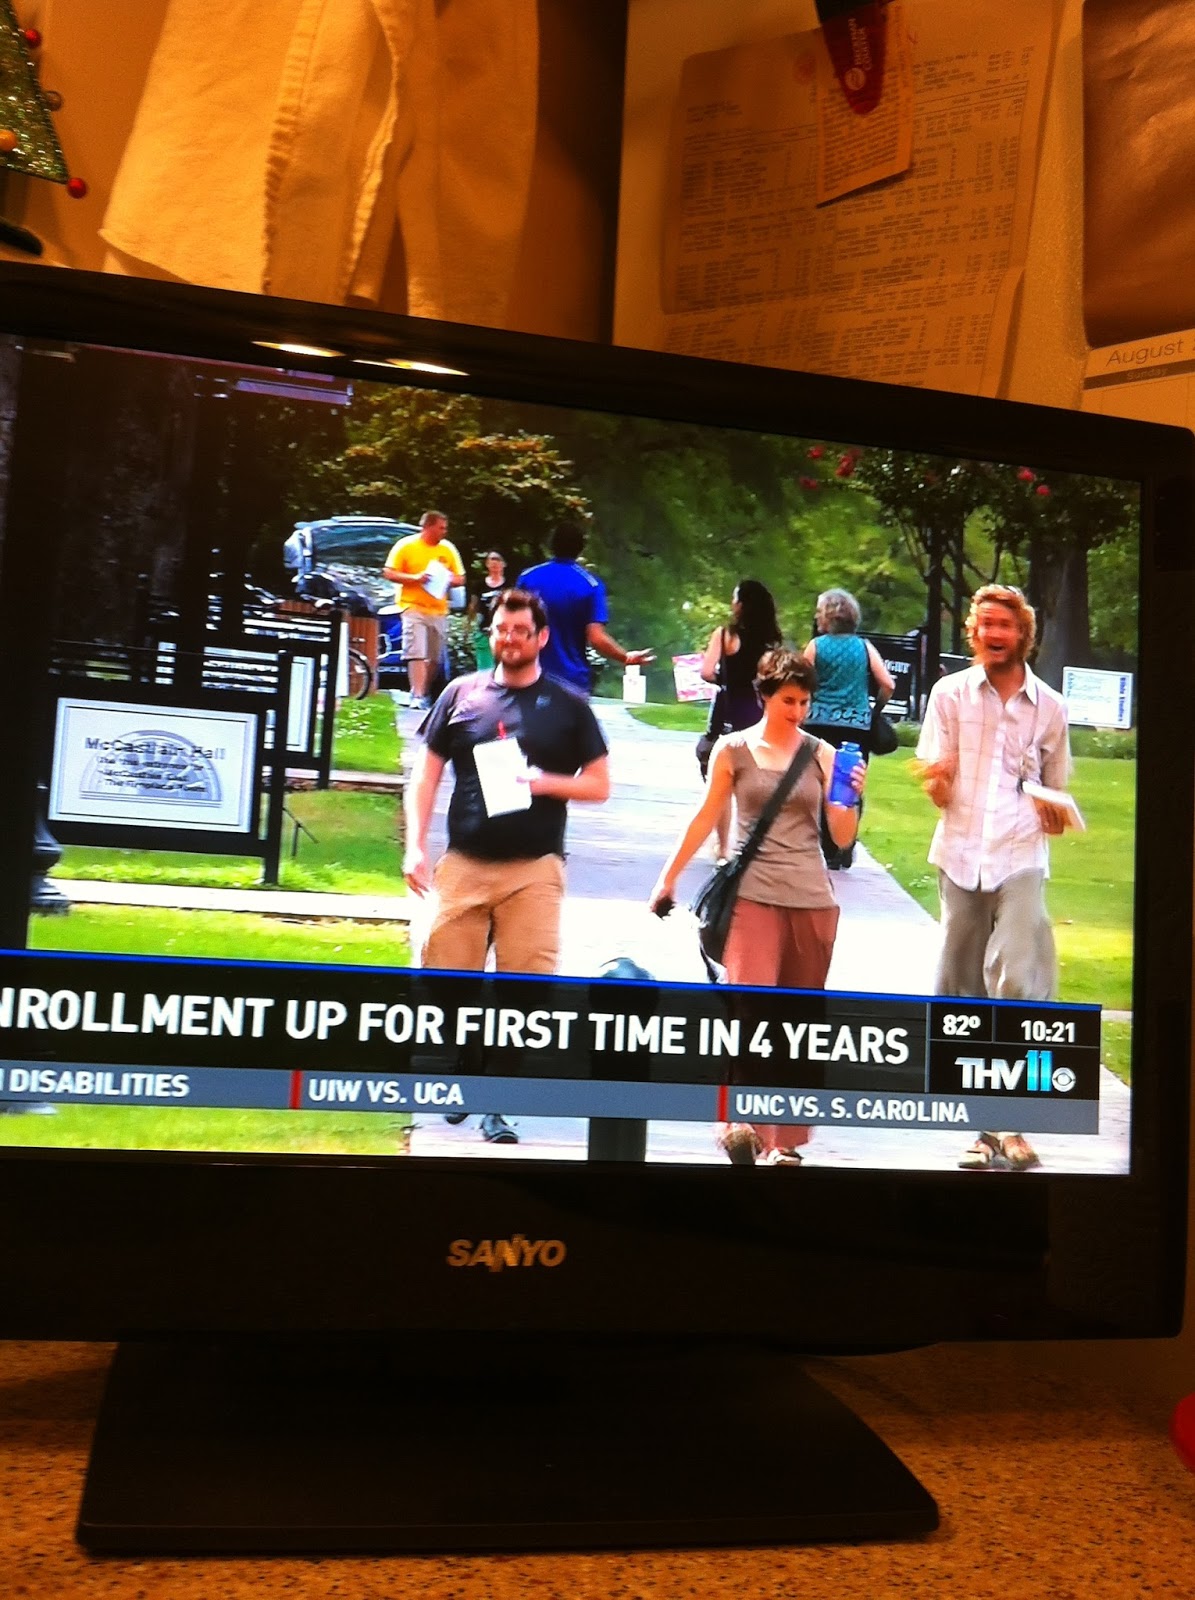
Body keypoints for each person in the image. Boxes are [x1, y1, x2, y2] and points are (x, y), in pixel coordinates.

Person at [403, 586, 611, 1144]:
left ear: (541, 638)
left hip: (534, 868)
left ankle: (498, 1102)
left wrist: (544, 783)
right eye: (501, 629)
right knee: (445, 979)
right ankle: (468, 1058)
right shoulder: (461, 694)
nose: (510, 639)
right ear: (490, 634)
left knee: (527, 990)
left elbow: (599, 784)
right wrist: (416, 845)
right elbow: (426, 773)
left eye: (521, 631)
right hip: (465, 863)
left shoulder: (568, 705)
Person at [648, 649, 865, 1166]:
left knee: (797, 1023)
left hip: (811, 898)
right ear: (765, 695)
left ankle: (784, 1140)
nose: (797, 711)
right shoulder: (733, 750)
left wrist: (849, 798)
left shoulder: (822, 754)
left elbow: (841, 839)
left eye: (804, 701)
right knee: (749, 1012)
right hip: (753, 895)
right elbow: (706, 816)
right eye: (788, 700)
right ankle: (741, 1125)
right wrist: (667, 878)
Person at [916, 583, 1074, 1173]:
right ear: (974, 632)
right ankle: (979, 1131)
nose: (993, 634)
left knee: (1016, 978)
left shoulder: (1049, 706)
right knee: (962, 989)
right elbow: (936, 783)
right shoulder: (949, 694)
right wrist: (937, 781)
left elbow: (1057, 791)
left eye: (1003, 625)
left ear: (1022, 633)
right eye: (984, 624)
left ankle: (1014, 1123)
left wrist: (1054, 813)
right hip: (960, 852)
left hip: (1021, 853)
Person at [802, 587, 895, 870]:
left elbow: (800, 680)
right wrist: (874, 710)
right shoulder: (864, 647)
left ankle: (828, 847)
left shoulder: (816, 646)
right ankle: (845, 844)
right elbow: (888, 684)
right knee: (850, 783)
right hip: (856, 728)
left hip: (818, 725)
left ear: (827, 616)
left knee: (819, 783)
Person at [697, 578, 783, 861]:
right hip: (757, 713)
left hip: (727, 711)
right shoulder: (772, 642)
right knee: (756, 781)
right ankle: (752, 846)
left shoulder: (725, 635)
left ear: (742, 605)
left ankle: (723, 848)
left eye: (735, 598)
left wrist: (725, 677)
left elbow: (706, 672)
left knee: (720, 782)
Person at [517, 522, 654, 695]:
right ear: (580, 548)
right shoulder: (590, 585)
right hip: (571, 680)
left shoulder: (528, 578)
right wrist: (625, 657)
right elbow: (596, 638)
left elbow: (514, 625)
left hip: (528, 675)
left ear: (551, 545)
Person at [382, 509, 466, 709]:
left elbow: (460, 578)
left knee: (434, 657)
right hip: (413, 607)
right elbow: (389, 572)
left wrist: (444, 578)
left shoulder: (448, 549)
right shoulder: (406, 546)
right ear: (427, 527)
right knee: (416, 651)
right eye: (441, 528)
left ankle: (424, 692)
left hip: (438, 610)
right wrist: (415, 578)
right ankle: (417, 694)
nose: (444, 532)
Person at [471, 551, 507, 670]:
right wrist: (468, 626)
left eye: (497, 559)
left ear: (504, 564)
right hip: (483, 631)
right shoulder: (479, 585)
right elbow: (473, 605)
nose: (494, 563)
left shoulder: (510, 585)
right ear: (487, 564)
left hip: (504, 633)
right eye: (491, 559)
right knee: (485, 670)